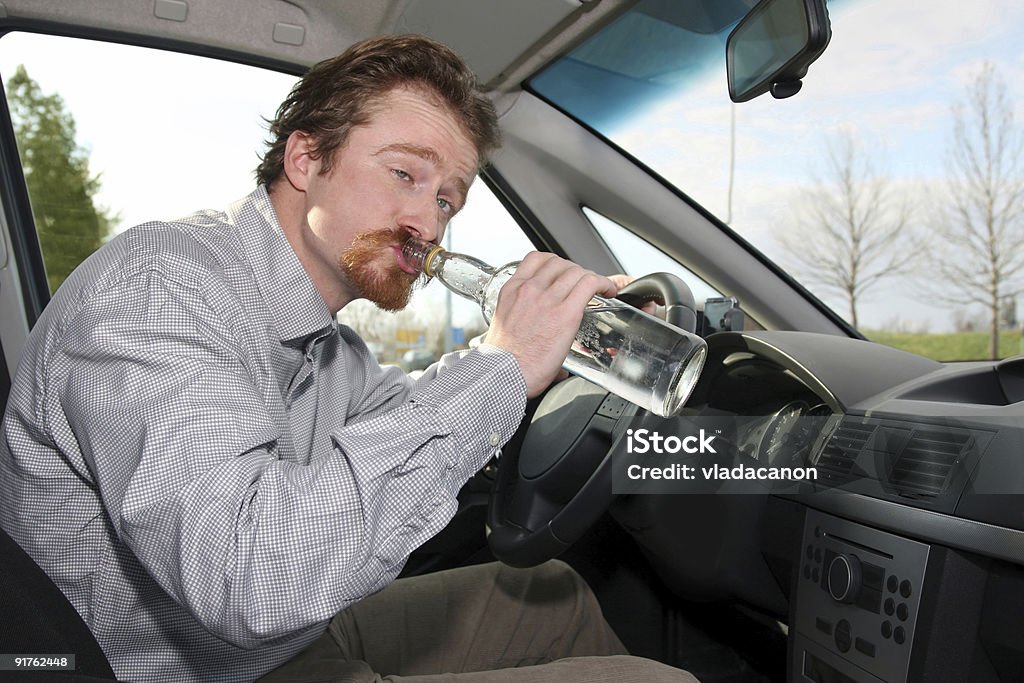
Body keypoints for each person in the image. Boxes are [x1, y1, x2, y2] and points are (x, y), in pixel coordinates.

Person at [0, 35, 698, 683]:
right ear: (306, 159)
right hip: (183, 663)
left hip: (273, 642)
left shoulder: (332, 352)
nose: (427, 223)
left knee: (552, 593)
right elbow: (248, 578)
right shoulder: (161, 290)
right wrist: (503, 364)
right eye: (404, 173)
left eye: (447, 200)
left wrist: (551, 358)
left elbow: (417, 417)